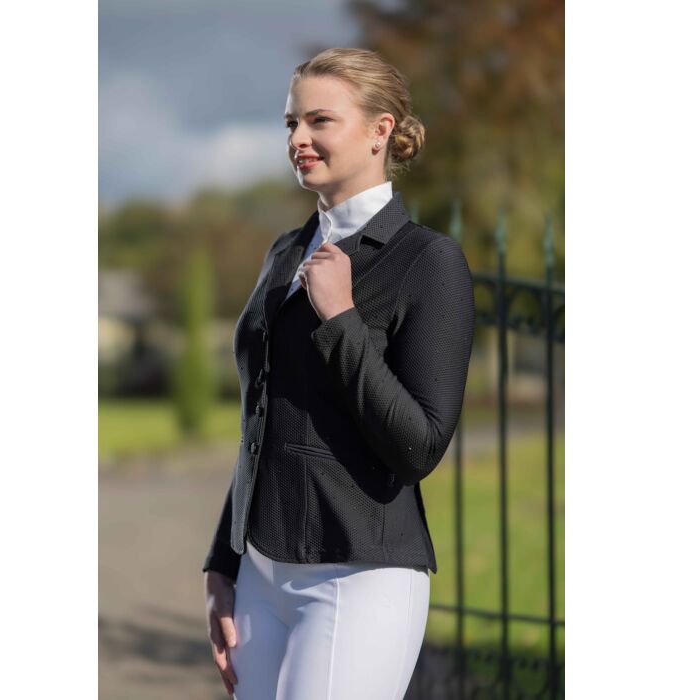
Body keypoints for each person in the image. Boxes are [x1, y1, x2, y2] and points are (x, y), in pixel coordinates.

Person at [203, 47, 475, 699]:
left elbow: (418, 445)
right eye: (290, 123)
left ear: (381, 130)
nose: (297, 139)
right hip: (259, 574)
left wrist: (342, 318)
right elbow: (260, 417)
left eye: (319, 120)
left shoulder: (427, 261)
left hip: (359, 577)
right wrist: (223, 560)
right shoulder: (285, 252)